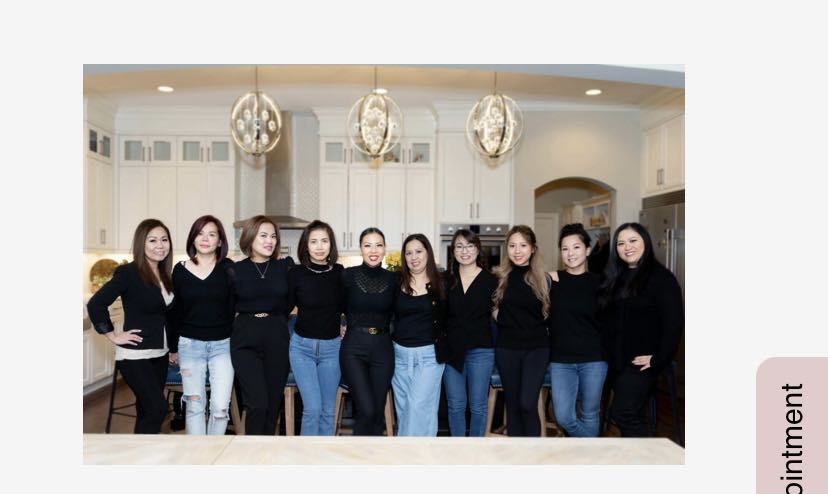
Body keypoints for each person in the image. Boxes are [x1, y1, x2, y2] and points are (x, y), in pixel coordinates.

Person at [87, 219, 175, 434]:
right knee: (157, 408)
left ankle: (143, 451)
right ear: (141, 244)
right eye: (152, 240)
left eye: (164, 240)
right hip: (135, 354)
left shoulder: (165, 274)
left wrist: (173, 348)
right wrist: (112, 335)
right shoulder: (128, 272)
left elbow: (168, 315)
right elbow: (96, 303)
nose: (160, 245)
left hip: (160, 353)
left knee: (146, 410)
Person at [599, 222, 684, 437]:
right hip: (617, 361)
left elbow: (674, 324)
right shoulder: (615, 277)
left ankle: (651, 456)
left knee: (623, 413)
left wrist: (658, 358)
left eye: (633, 240)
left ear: (645, 242)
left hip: (642, 363)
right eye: (621, 243)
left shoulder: (662, 278)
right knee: (636, 415)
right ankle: (637, 456)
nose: (627, 247)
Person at [166, 215, 235, 435]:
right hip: (189, 346)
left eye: (211, 234)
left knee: (220, 408)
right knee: (194, 407)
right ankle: (197, 454)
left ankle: (214, 451)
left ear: (220, 241)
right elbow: (174, 311)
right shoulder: (180, 270)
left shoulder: (229, 269)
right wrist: (173, 347)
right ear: (193, 238)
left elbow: (236, 307)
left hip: (223, 346)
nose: (205, 239)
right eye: (200, 233)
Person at [231, 215, 294, 435]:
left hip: (276, 337)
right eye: (263, 236)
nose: (270, 241)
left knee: (273, 406)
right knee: (257, 405)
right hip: (245, 340)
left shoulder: (284, 267)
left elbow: (290, 301)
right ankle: (251, 452)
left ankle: (266, 452)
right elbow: (227, 306)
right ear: (250, 238)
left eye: (273, 236)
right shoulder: (235, 270)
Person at [547, 223, 607, 437]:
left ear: (588, 250)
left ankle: (586, 456)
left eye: (576, 247)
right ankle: (596, 448)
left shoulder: (601, 283)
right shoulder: (551, 281)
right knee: (563, 416)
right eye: (565, 248)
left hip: (594, 358)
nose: (570, 253)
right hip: (561, 360)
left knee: (589, 414)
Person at [287, 220, 345, 436]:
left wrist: (345, 324)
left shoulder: (340, 273)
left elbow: (349, 306)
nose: (319, 246)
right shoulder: (296, 273)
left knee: (328, 411)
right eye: (314, 241)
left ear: (331, 245)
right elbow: (283, 307)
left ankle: (324, 456)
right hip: (302, 348)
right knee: (312, 409)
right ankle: (306, 456)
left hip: (332, 349)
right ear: (306, 245)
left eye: (324, 241)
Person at [492, 225, 550, 437]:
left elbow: (552, 314)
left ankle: (533, 452)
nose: (517, 251)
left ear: (533, 248)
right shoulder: (499, 278)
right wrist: (498, 315)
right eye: (512, 245)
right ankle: (516, 454)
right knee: (513, 405)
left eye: (523, 245)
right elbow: (491, 308)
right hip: (507, 348)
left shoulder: (544, 279)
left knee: (527, 403)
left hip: (536, 349)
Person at [340, 227, 397, 436]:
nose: (373, 250)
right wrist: (340, 322)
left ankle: (372, 454)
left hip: (383, 348)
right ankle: (358, 453)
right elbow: (334, 305)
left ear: (384, 249)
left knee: (377, 412)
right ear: (360, 249)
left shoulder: (394, 279)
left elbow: (401, 310)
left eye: (378, 245)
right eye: (368, 245)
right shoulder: (348, 275)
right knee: (367, 409)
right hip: (354, 348)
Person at [442, 229, 497, 437]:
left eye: (470, 246)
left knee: (478, 406)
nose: (465, 251)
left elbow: (499, 314)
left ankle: (476, 450)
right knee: (455, 405)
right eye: (459, 246)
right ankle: (458, 450)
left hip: (481, 350)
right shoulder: (446, 280)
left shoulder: (491, 280)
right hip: (452, 351)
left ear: (477, 249)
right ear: (453, 251)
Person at [390, 234, 445, 436]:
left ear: (428, 253)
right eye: (409, 253)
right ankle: (422, 452)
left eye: (418, 251)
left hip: (429, 357)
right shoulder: (396, 282)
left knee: (417, 406)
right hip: (400, 357)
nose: (414, 257)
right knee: (405, 410)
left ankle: (407, 453)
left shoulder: (442, 283)